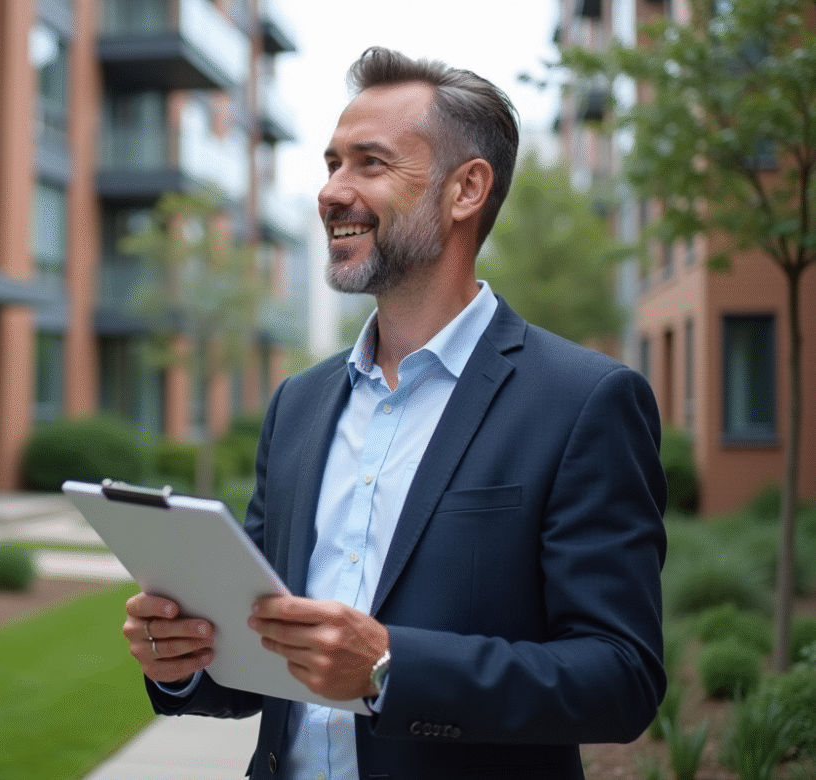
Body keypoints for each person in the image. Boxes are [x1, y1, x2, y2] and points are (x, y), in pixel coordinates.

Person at [122, 46, 667, 780]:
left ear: (466, 189)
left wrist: (388, 669)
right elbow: (261, 660)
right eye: (330, 164)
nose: (331, 192)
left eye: (369, 164)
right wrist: (184, 659)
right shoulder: (299, 404)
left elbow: (620, 677)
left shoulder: (584, 402)